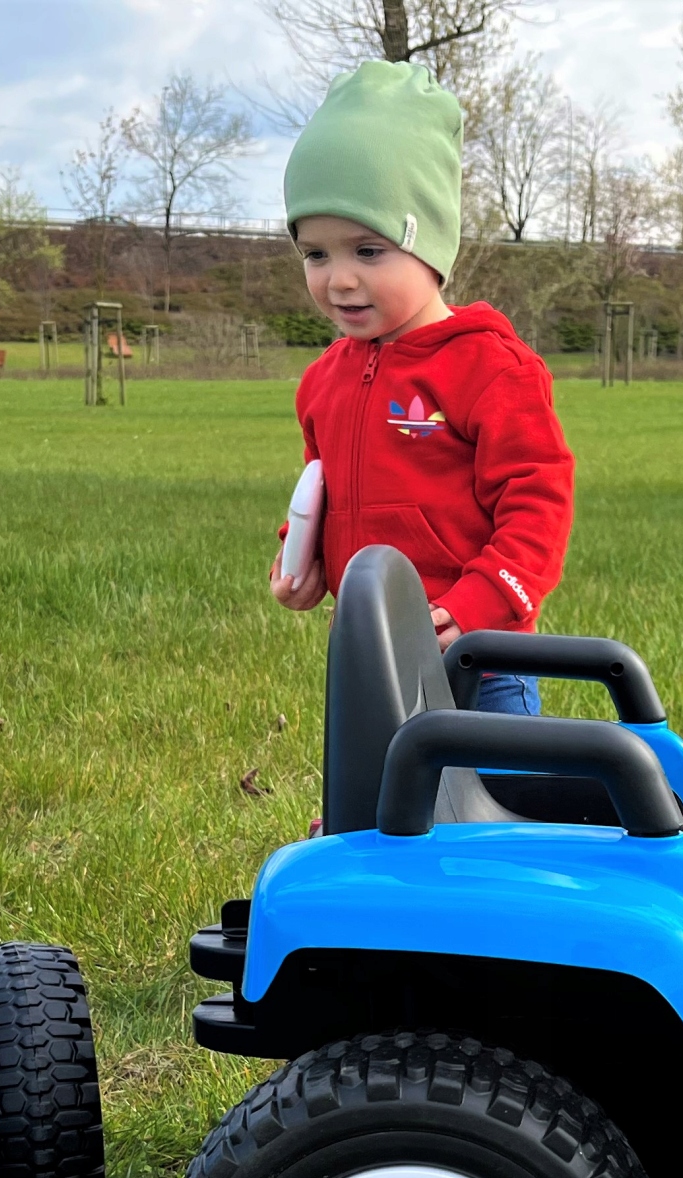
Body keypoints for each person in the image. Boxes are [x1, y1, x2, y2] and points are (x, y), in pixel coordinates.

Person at [266, 60, 574, 715]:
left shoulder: (489, 368)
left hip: (480, 662)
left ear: (428, 243)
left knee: (490, 810)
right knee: (375, 806)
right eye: (316, 254)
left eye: (367, 251)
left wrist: (478, 606)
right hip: (370, 656)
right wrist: (301, 563)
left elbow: (538, 504)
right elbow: (322, 499)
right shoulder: (324, 382)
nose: (338, 279)